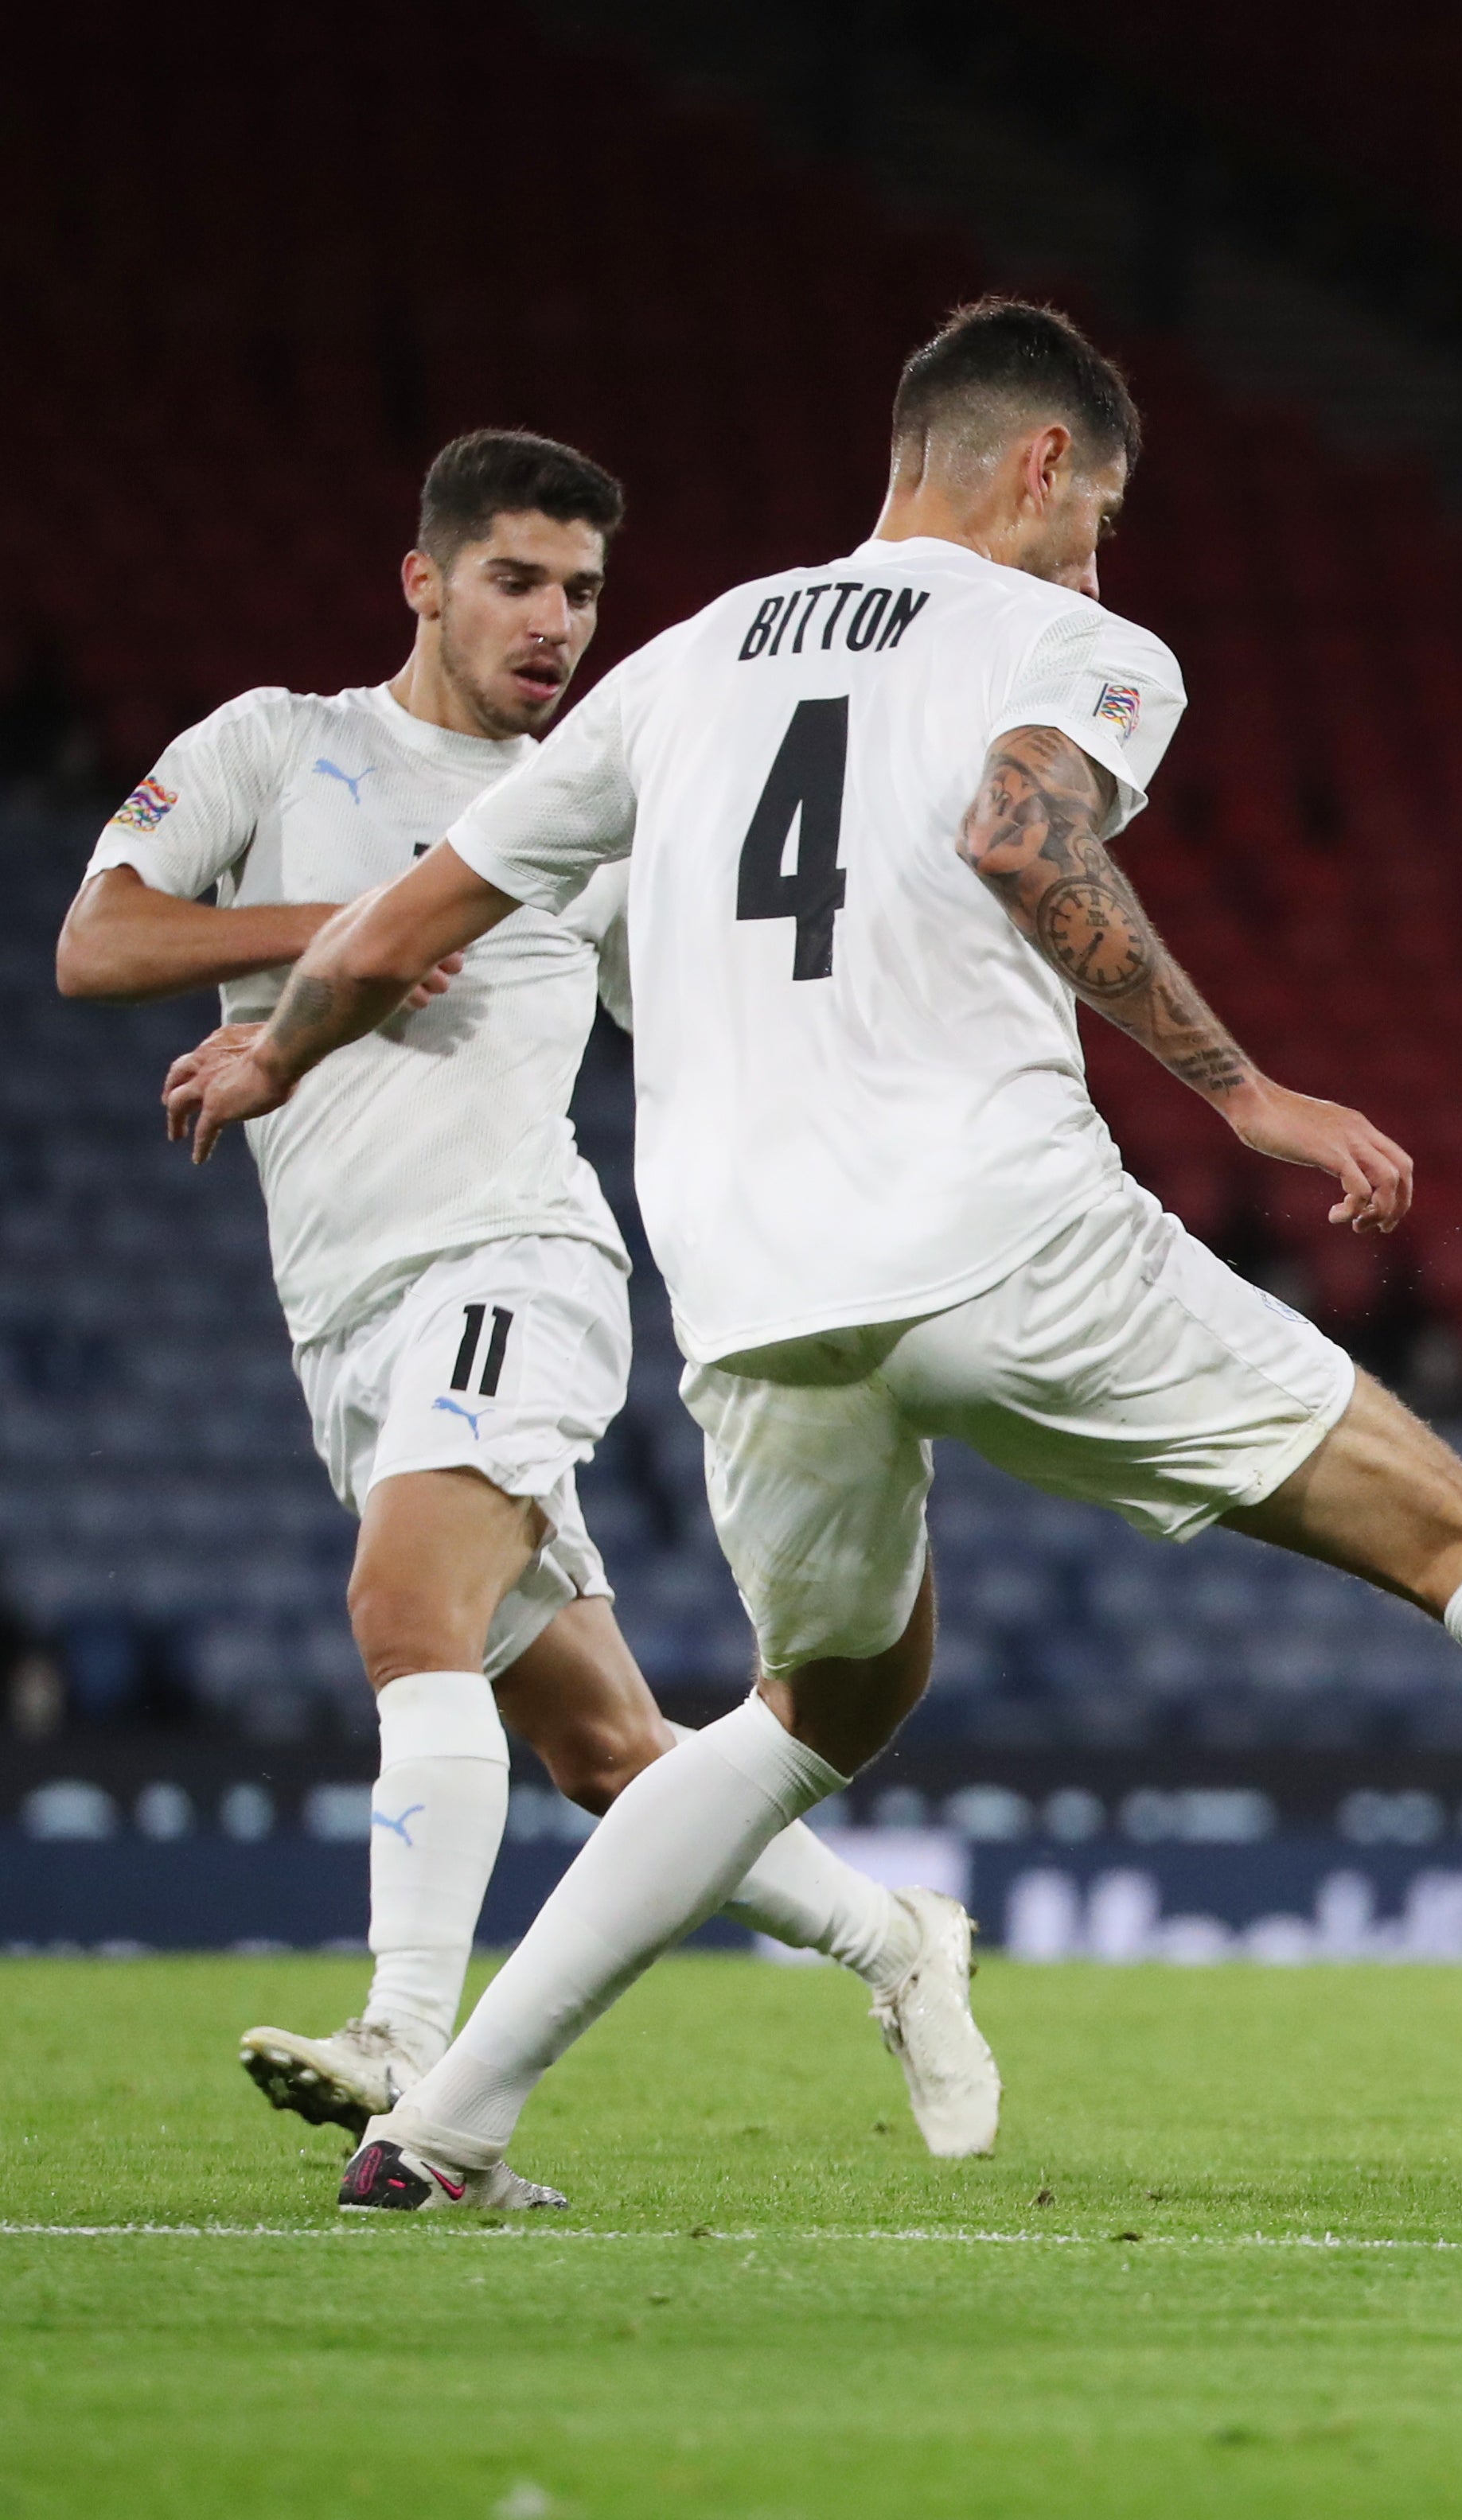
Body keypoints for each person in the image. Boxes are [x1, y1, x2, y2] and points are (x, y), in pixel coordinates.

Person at [166, 300, 1462, 2216]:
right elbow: (1028, 838)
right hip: (1006, 1233)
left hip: (756, 1301)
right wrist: (1250, 1091)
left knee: (814, 1707)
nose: (1106, 547)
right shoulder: (1061, 631)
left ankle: (445, 2120)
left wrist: (275, 1046)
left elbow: (404, 914)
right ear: (1042, 465)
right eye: (1100, 508)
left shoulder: (681, 661)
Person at [58, 431, 994, 2165]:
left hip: (515, 1266)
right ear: (424, 578)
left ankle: (406, 2038)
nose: (556, 620)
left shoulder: (592, 818)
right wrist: (367, 929)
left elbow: (738, 1035)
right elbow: (96, 942)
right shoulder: (279, 746)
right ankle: (899, 1939)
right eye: (520, 580)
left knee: (404, 1609)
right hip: (342, 1314)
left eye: (581, 592)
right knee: (611, 1749)